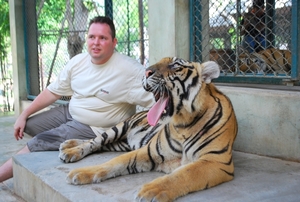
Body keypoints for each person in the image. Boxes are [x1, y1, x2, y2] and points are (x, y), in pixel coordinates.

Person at [0, 16, 155, 182]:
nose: (96, 42)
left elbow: (160, 99)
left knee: (38, 142)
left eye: (103, 38)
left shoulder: (129, 70)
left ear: (114, 42)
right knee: (29, 126)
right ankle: (56, 141)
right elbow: (53, 92)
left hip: (94, 127)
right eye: (92, 37)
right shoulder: (78, 62)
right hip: (71, 111)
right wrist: (23, 115)